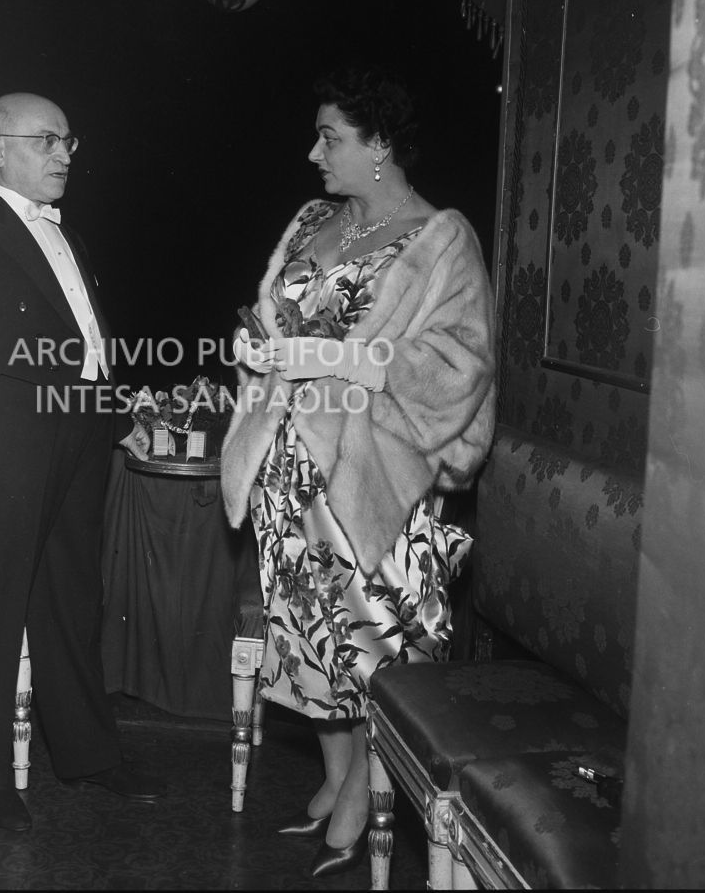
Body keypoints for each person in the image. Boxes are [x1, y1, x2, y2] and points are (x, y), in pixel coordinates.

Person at [221, 64, 496, 878]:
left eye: (331, 137)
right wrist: (257, 347)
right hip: (287, 462)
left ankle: (366, 791)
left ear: (380, 145)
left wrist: (341, 355)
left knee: (366, 638)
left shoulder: (441, 237)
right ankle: (339, 773)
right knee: (309, 633)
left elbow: (457, 364)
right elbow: (277, 315)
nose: (314, 153)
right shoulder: (314, 222)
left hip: (372, 469)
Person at [0, 92, 156, 833]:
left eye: (69, 140)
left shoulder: (68, 236)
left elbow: (86, 341)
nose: (64, 153)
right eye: (47, 139)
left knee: (73, 601)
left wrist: (116, 420)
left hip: (77, 439)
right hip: (2, 448)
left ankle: (88, 755)